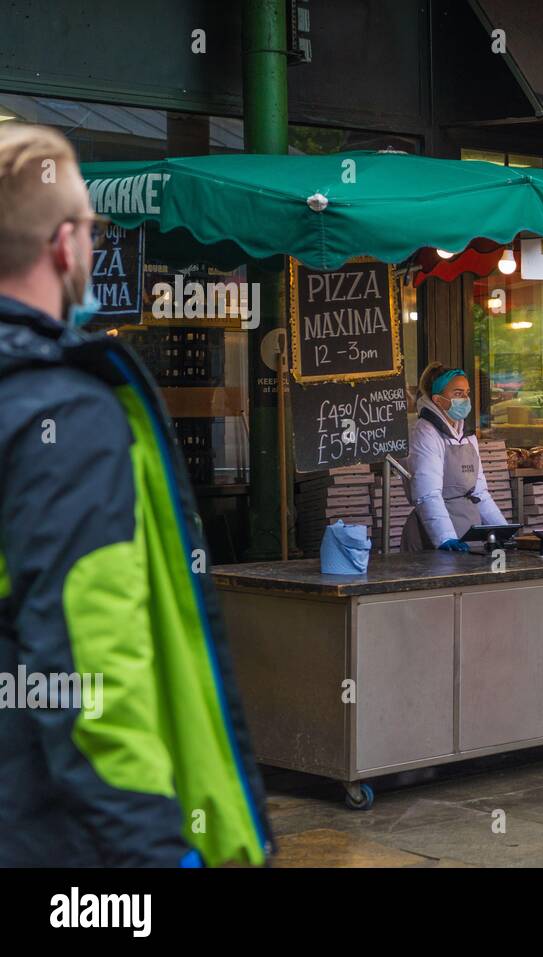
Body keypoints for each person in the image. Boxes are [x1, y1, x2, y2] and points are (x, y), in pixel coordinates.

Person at [0, 124, 270, 866]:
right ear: (64, 247)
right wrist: (151, 852)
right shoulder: (66, 415)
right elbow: (93, 675)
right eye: (90, 229)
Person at [402, 362, 508, 552]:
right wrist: (445, 538)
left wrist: (503, 531)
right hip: (433, 536)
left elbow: (480, 493)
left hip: (470, 533)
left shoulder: (467, 435)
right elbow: (427, 494)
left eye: (466, 393)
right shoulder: (425, 432)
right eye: (457, 393)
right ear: (437, 399)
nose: (465, 399)